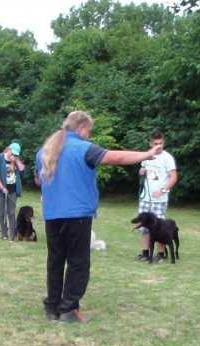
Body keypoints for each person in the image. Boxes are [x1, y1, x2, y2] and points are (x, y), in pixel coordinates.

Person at [35, 111, 160, 323]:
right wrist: (146, 155)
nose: (89, 135)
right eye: (89, 131)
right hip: (77, 215)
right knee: (78, 263)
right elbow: (117, 157)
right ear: (81, 128)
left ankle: (52, 308)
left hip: (52, 215)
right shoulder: (84, 148)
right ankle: (69, 310)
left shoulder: (44, 152)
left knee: (55, 261)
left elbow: (39, 181)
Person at [136, 131, 178, 262]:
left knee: (159, 227)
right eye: (156, 144)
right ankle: (145, 253)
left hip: (159, 199)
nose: (158, 146)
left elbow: (173, 177)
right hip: (145, 197)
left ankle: (161, 254)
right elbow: (142, 171)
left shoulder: (167, 158)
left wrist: (163, 190)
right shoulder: (147, 156)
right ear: (151, 144)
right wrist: (141, 172)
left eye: (161, 143)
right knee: (144, 226)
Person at [0, 143, 26, 240]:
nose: (12, 155)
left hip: (12, 189)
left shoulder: (15, 160)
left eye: (15, 154)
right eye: (12, 153)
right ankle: (4, 234)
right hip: (0, 190)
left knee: (11, 212)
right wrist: (2, 188)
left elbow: (23, 171)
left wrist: (16, 160)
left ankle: (13, 235)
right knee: (2, 212)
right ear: (8, 149)